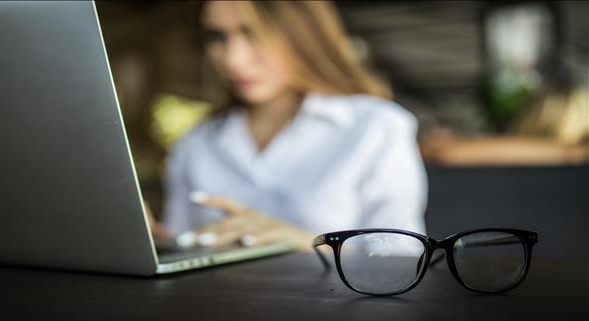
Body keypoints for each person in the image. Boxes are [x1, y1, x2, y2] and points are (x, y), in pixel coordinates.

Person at [147, 1, 428, 251]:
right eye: (217, 36)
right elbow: (183, 246)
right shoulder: (196, 142)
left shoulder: (375, 126)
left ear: (302, 34)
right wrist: (155, 240)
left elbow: (400, 256)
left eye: (253, 33)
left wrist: (305, 243)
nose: (234, 59)